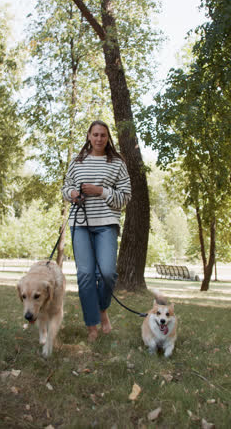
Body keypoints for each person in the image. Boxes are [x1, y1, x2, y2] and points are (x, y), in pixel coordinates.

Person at [62, 120, 131, 342]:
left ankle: (102, 309)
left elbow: (125, 196)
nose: (99, 138)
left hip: (107, 224)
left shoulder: (118, 163)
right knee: (85, 274)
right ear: (89, 136)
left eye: (103, 135)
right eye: (95, 134)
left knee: (108, 273)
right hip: (79, 224)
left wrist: (100, 191)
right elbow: (66, 187)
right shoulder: (77, 162)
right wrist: (73, 194)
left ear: (108, 138)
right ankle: (92, 326)